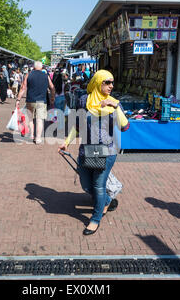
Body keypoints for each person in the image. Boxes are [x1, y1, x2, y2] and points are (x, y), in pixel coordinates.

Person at [58, 70, 130, 235]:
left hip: (107, 151)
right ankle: (107, 200)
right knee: (86, 185)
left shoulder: (114, 102)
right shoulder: (84, 100)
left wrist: (116, 107)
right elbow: (78, 125)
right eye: (107, 82)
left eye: (112, 82)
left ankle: (95, 219)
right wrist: (67, 142)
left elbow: (125, 127)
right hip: (86, 150)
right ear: (98, 83)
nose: (111, 86)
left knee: (98, 186)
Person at [16, 61, 55, 144]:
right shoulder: (46, 76)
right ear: (41, 68)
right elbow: (52, 87)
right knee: (39, 120)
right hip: (41, 101)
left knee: (30, 118)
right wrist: (52, 98)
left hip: (30, 100)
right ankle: (38, 138)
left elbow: (23, 88)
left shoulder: (28, 75)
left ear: (33, 67)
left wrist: (18, 99)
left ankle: (31, 135)